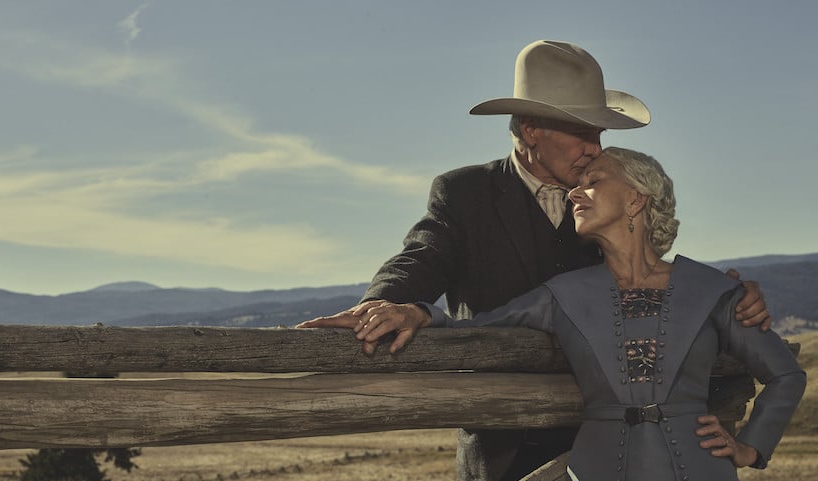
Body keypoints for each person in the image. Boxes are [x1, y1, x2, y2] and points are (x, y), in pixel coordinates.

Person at [297, 40, 771, 481]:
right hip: (502, 444)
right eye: (583, 132)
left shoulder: (604, 199)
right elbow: (421, 258)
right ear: (531, 130)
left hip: (606, 444)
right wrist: (388, 303)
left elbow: (653, 275)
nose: (595, 148)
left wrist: (730, 294)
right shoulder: (465, 194)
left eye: (599, 134)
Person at [341, 147, 806, 481]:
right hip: (594, 469)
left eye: (593, 182)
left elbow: (785, 375)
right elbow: (475, 328)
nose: (574, 194)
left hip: (700, 469)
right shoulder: (561, 294)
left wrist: (750, 447)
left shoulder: (713, 290)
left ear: (635, 199)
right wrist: (416, 312)